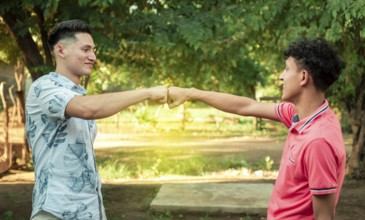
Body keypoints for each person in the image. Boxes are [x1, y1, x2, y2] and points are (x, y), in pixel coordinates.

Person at [167, 39, 346, 219]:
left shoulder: (318, 141)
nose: (281, 76)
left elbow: (324, 216)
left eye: (287, 69)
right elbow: (247, 107)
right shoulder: (298, 114)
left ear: (303, 77)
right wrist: (191, 93)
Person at [25, 19, 167, 219]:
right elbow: (88, 109)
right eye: (85, 49)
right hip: (56, 210)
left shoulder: (77, 95)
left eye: (93, 50)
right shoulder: (44, 87)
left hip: (88, 208)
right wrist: (148, 93)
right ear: (60, 50)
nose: (92, 56)